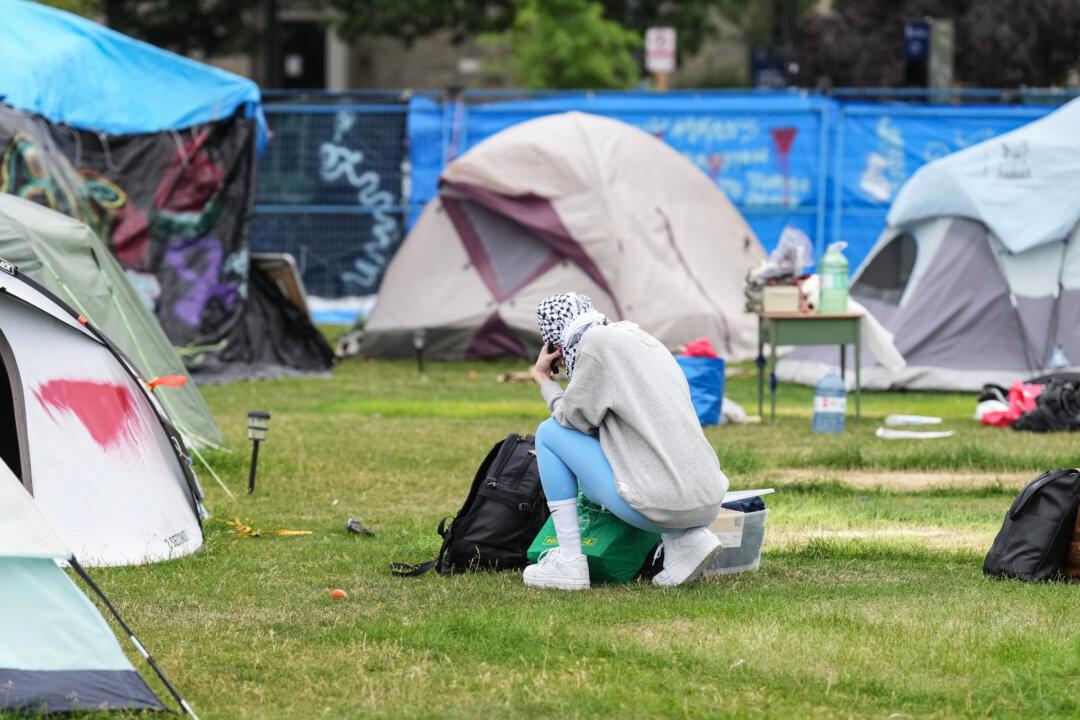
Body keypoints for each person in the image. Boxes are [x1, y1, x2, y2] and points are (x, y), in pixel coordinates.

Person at [524, 292, 729, 590]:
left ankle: (569, 562)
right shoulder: (644, 340)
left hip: (659, 507)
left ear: (556, 343)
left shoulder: (596, 347)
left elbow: (571, 420)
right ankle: (685, 541)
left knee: (548, 434)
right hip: (707, 503)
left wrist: (545, 380)